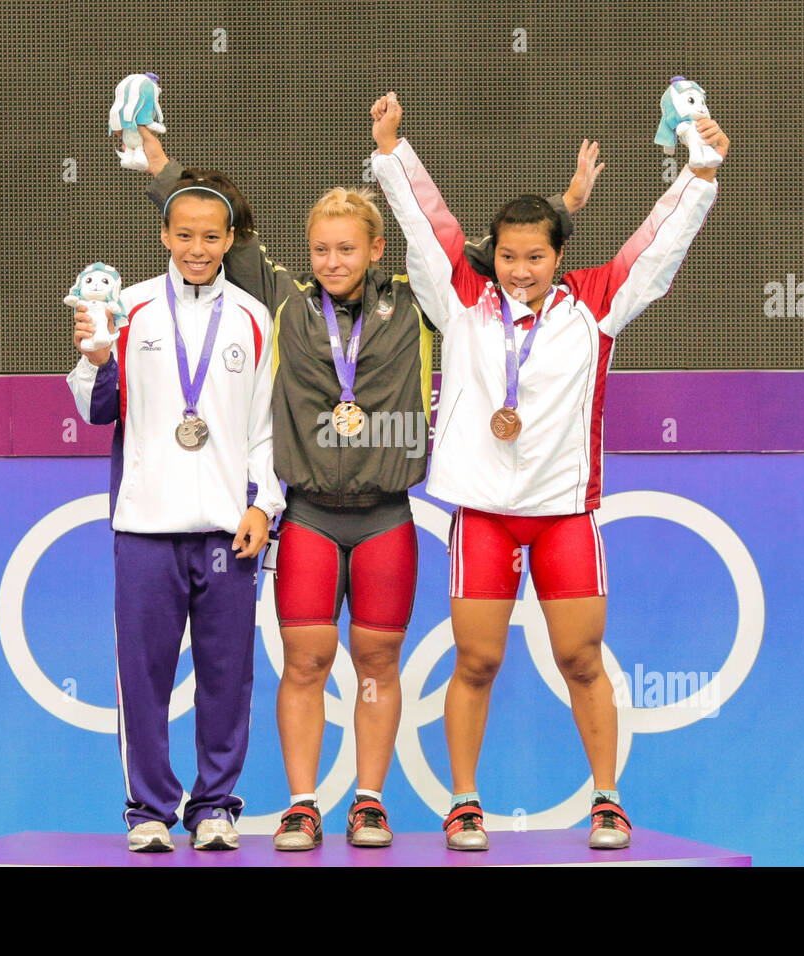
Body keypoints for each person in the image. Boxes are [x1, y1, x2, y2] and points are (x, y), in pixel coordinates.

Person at [130, 105, 598, 850]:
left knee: (377, 660)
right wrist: (160, 172)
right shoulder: (282, 298)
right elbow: (215, 232)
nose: (332, 260)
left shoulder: (417, 301)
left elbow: (497, 255)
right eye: (320, 248)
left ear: (376, 248)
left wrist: (566, 209)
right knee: (307, 662)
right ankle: (303, 802)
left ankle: (370, 801)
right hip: (310, 516)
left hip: (386, 515)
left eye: (347, 248)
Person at [371, 91, 728, 850]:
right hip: (483, 514)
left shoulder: (596, 305)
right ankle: (464, 801)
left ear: (558, 256)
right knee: (477, 659)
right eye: (508, 256)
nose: (521, 270)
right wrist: (393, 152)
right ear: (491, 255)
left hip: (565, 513)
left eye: (536, 256)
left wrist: (698, 174)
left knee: (580, 657)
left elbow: (654, 249)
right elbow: (429, 226)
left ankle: (607, 797)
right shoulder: (460, 299)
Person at [66, 170, 285, 852]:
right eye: (184, 234)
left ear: (229, 240)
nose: (197, 248)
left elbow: (264, 427)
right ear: (163, 234)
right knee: (144, 674)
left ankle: (215, 805)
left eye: (210, 237)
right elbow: (98, 408)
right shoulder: (127, 310)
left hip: (226, 528)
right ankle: (150, 810)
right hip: (144, 527)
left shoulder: (252, 316)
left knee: (228, 672)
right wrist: (93, 358)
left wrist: (264, 505)